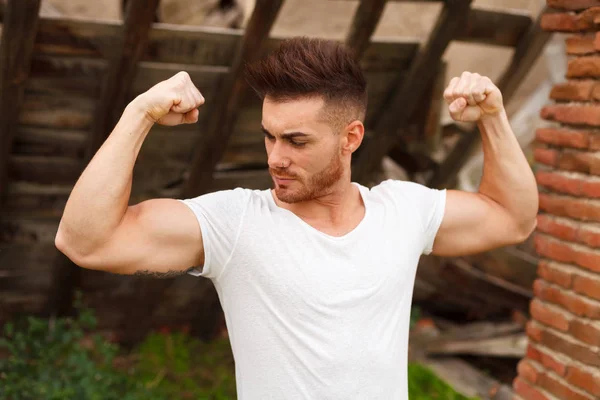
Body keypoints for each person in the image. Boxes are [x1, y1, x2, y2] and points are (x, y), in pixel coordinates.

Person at [55, 37, 538, 399]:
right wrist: (138, 114)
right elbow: (88, 242)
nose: (276, 158)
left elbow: (512, 218)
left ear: (351, 137)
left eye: (297, 141)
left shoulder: (403, 210)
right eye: (270, 136)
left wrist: (493, 116)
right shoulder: (236, 223)